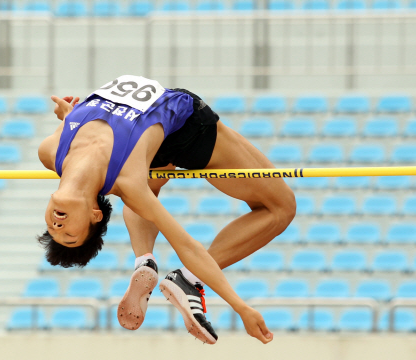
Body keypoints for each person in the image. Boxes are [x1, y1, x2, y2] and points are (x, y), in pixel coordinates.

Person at [37, 75, 296, 344]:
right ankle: (187, 279)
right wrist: (240, 306)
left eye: (52, 230)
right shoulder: (129, 182)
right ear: (94, 214)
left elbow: (70, 119)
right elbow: (187, 245)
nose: (57, 227)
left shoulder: (49, 150)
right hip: (185, 127)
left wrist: (66, 114)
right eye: (69, 235)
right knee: (282, 207)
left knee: (147, 185)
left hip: (150, 142)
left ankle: (144, 261)